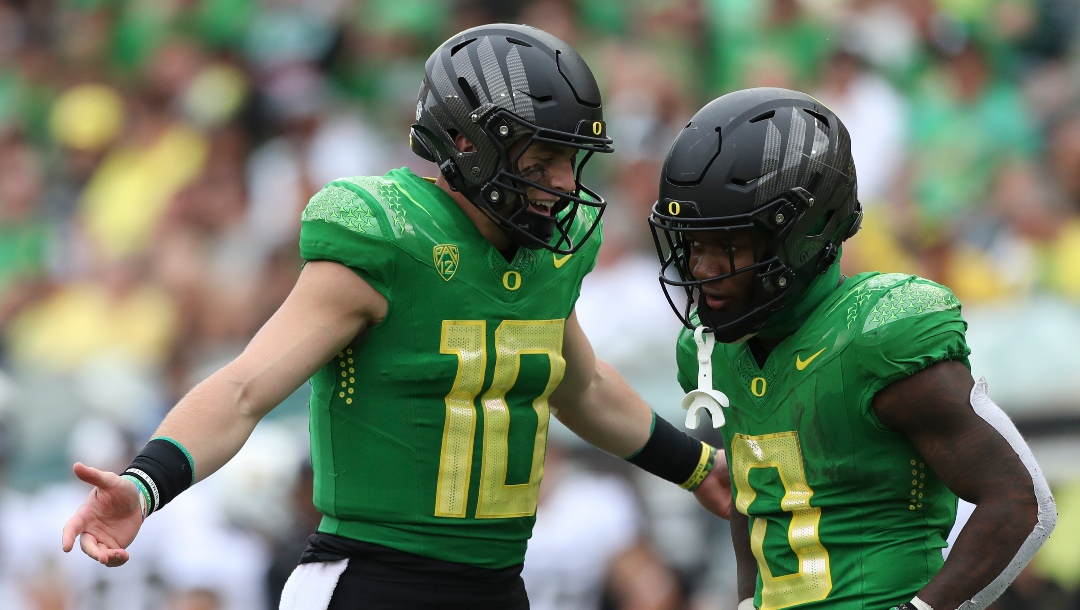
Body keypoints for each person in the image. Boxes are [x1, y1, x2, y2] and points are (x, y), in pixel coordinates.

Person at [60, 23, 731, 610]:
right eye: (542, 159)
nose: (563, 184)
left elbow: (579, 386)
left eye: (569, 159)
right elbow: (244, 389)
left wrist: (697, 467)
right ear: (469, 146)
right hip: (372, 582)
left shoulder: (546, 257)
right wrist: (146, 483)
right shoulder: (386, 238)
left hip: (498, 585)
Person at [648, 87, 1056, 610]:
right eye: (693, 243)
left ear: (803, 236)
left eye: (728, 245)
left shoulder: (879, 336)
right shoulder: (710, 350)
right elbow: (755, 504)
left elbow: (1021, 503)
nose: (702, 270)